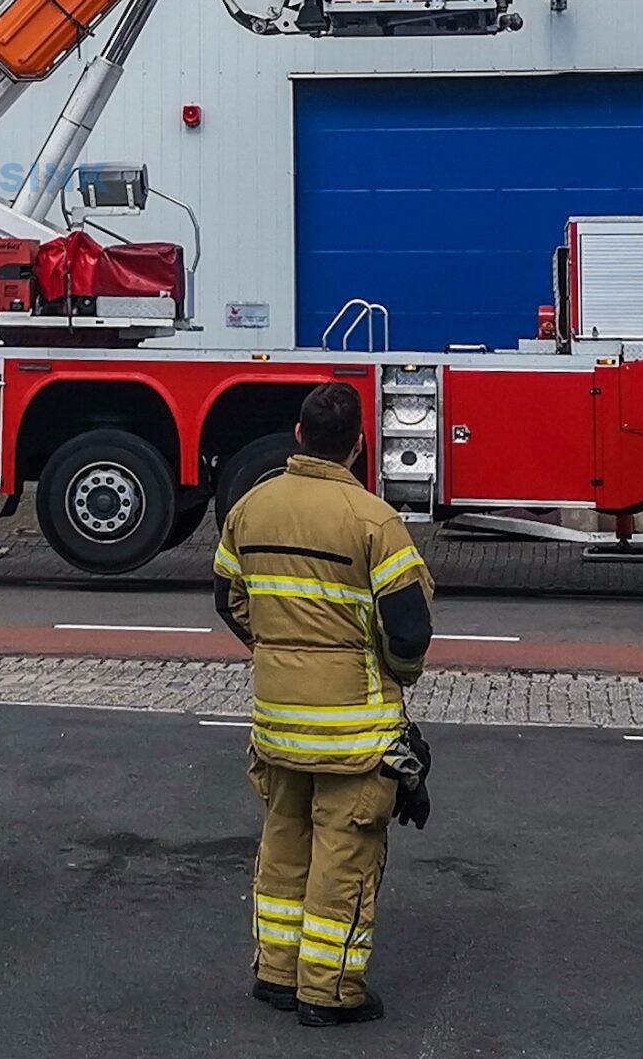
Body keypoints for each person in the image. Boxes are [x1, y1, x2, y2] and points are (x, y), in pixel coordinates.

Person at [214, 381, 435, 1025]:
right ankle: (330, 991)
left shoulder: (251, 508)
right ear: (360, 446)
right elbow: (408, 631)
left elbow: (230, 600)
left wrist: (276, 649)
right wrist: (396, 674)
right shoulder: (374, 520)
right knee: (345, 858)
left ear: (300, 435)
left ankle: (276, 975)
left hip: (278, 724)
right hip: (354, 735)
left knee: (284, 844)